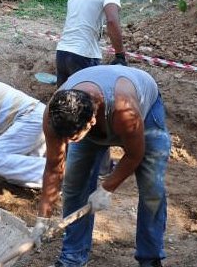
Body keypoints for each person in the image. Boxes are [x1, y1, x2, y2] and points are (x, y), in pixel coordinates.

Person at [33, 65, 170, 267]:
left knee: (152, 188)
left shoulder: (126, 111)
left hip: (145, 111)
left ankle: (150, 258)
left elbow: (134, 155)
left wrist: (107, 188)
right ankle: (73, 258)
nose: (69, 143)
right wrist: (42, 218)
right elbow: (54, 167)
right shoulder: (55, 115)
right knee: (74, 187)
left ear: (92, 121)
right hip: (94, 118)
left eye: (73, 138)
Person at [55, 0, 126, 88]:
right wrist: (120, 54)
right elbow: (112, 20)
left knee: (61, 103)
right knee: (88, 105)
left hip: (62, 53)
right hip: (84, 55)